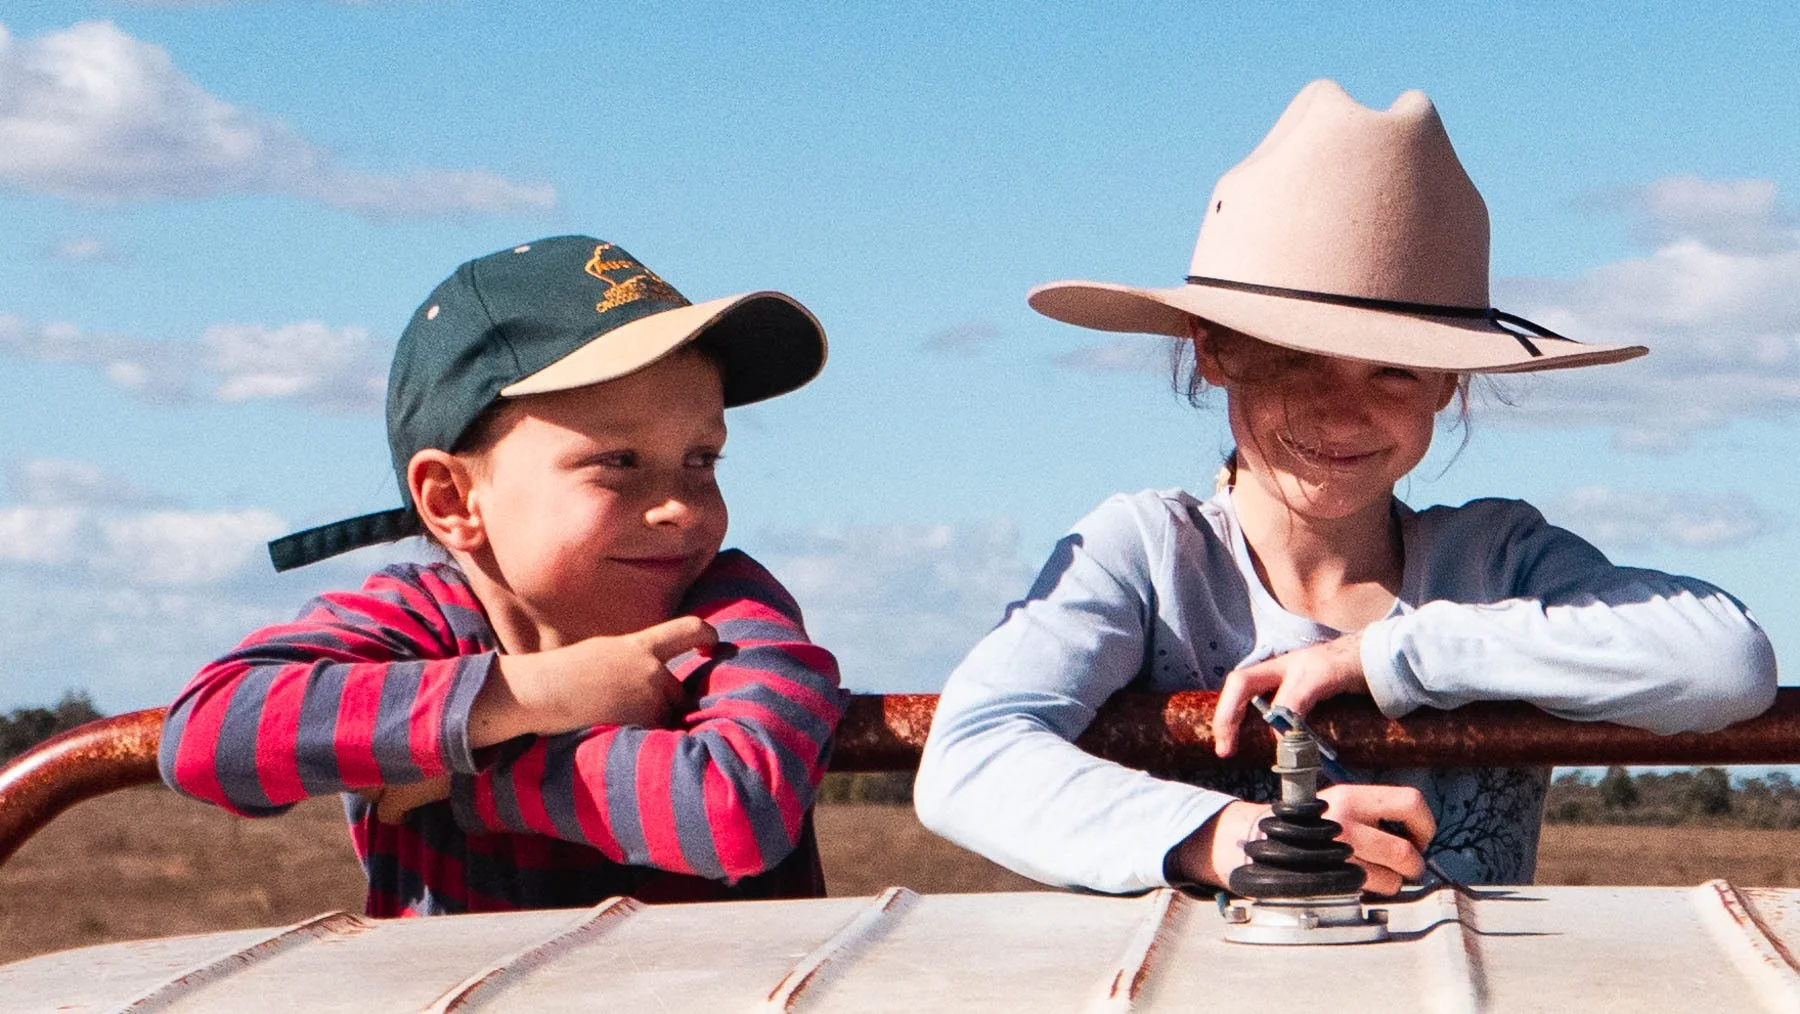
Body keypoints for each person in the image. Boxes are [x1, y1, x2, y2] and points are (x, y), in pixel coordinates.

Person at [913, 81, 1778, 896]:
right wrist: (1236, 837)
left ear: (1448, 381)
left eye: (1395, 371)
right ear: (1215, 351)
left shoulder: (1499, 559)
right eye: (1295, 358)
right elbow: (969, 757)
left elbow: (1724, 660)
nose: (1342, 409)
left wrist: (1382, 657)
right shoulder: (1148, 558)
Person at [161, 236, 847, 916]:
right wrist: (538, 692)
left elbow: (733, 816)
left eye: (702, 459)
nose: (678, 506)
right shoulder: (419, 620)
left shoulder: (727, 619)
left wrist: (469, 782)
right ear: (453, 501)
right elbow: (203, 737)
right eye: (619, 462)